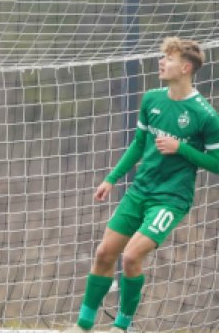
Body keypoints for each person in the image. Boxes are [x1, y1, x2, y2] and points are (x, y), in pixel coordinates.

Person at [64, 37, 219, 333]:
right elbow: (138, 145)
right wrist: (111, 179)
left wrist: (181, 148)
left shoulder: (205, 116)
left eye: (168, 59)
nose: (161, 62)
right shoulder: (151, 99)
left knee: (132, 256)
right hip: (139, 192)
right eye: (163, 57)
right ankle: (83, 325)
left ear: (186, 68)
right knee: (103, 254)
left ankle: (122, 327)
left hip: (170, 199)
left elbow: (218, 162)